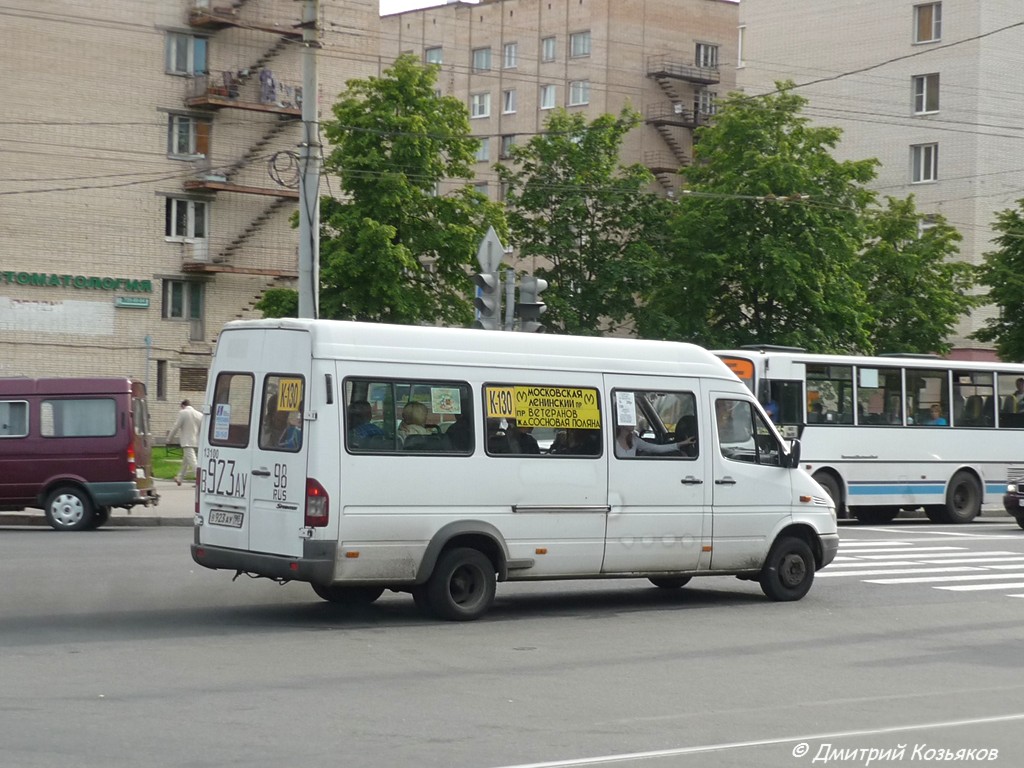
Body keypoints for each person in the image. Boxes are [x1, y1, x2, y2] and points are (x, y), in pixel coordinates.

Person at [167, 399, 203, 486]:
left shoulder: (183, 413)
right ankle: (179, 478)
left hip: (187, 441)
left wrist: (169, 439)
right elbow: (202, 429)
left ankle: (200, 481)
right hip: (196, 441)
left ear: (183, 406)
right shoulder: (199, 414)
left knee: (193, 462)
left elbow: (176, 426)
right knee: (185, 461)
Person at [614, 425, 691, 458]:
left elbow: (656, 448)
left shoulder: (634, 440)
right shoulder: (612, 441)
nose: (633, 423)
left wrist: (680, 444)